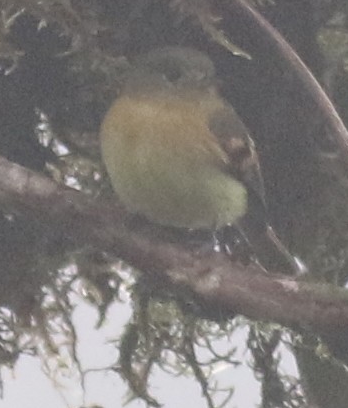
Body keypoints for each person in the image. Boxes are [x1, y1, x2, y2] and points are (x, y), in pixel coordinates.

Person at [100, 46, 301, 274]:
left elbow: (247, 172)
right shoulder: (116, 119)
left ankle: (213, 242)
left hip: (226, 204)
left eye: (206, 75)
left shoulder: (217, 120)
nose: (199, 83)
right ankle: (141, 218)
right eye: (175, 76)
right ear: (140, 79)